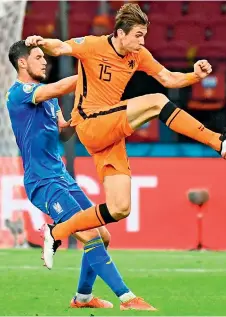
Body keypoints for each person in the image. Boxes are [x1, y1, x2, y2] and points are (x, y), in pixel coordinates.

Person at [25, 3, 226, 268]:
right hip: (90, 123)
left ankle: (56, 233)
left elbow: (168, 78)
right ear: (120, 33)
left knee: (120, 208)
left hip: (110, 134)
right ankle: (218, 142)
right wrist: (39, 41)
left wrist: (194, 76)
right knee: (155, 101)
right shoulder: (93, 45)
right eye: (138, 35)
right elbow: (61, 47)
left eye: (144, 35)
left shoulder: (138, 55)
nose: (143, 41)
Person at [6, 40, 156, 311]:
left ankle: (82, 298)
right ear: (22, 62)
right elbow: (60, 86)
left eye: (45, 57)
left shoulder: (49, 99)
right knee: (89, 235)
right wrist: (92, 71)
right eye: (39, 57)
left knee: (103, 235)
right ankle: (127, 298)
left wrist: (78, 117)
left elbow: (62, 131)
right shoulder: (19, 93)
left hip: (62, 178)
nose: (45, 61)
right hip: (43, 182)